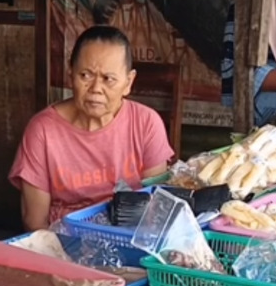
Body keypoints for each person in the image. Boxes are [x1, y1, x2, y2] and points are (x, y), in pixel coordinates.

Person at [10, 26, 174, 231]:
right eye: (85, 75)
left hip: (128, 242)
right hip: (62, 245)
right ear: (71, 74)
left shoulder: (146, 123)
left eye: (109, 79)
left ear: (128, 82)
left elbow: (155, 211)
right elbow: (34, 222)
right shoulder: (42, 131)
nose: (96, 88)